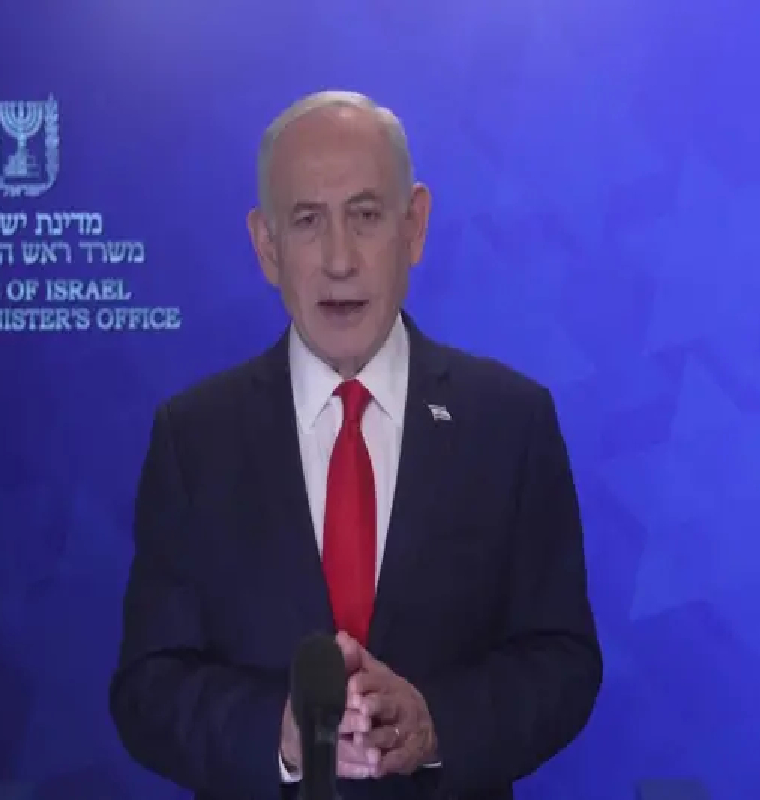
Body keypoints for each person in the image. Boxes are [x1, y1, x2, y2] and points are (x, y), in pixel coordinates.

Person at [109, 90, 602, 800]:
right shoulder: (194, 439)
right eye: (307, 221)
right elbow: (149, 686)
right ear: (266, 246)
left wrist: (437, 723)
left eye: (366, 216)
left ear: (414, 226)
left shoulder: (510, 423)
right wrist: (282, 734)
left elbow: (562, 660)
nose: (339, 260)